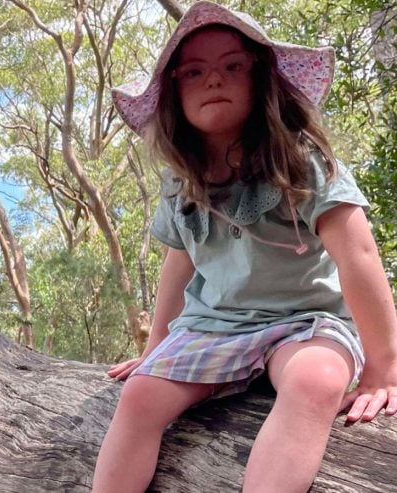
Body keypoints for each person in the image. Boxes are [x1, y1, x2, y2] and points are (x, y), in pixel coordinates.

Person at [92, 2, 397, 492]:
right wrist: (154, 349)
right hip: (214, 325)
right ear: (174, 94)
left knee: (315, 380)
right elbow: (181, 262)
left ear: (262, 80)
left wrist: (384, 369)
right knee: (140, 398)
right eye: (195, 71)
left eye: (232, 66)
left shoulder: (301, 161)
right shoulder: (180, 183)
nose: (215, 80)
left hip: (305, 319)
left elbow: (357, 255)